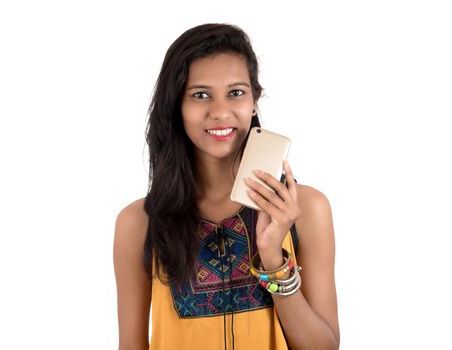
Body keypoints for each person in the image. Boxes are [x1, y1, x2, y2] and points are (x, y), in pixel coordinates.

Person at [113, 23, 340, 350]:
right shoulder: (139, 223)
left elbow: (325, 347)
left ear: (254, 100)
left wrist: (273, 256)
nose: (220, 112)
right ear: (176, 105)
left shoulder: (305, 209)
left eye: (236, 92)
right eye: (200, 95)